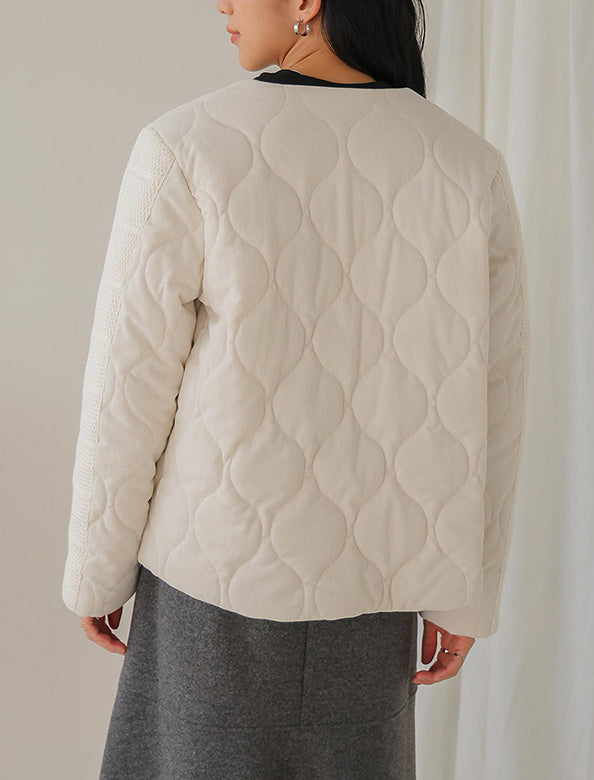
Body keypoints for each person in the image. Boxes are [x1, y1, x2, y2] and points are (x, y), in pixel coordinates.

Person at [62, 1, 530, 777]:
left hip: (211, 590)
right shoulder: (468, 165)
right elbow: (497, 397)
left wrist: (96, 568)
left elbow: (128, 385)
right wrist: (465, 596)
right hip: (377, 595)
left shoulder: (187, 146)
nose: (223, 3)